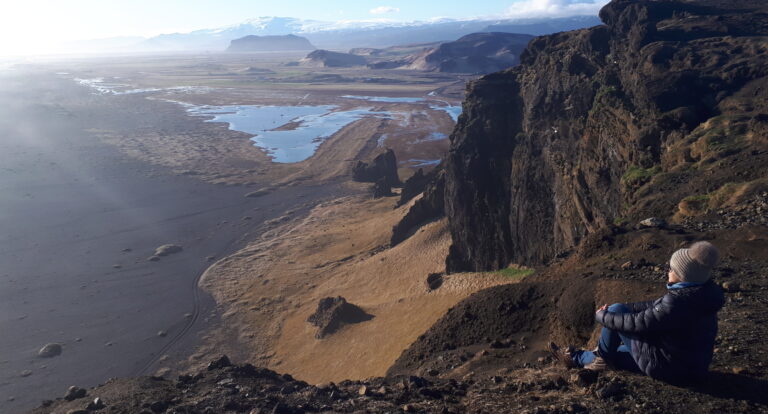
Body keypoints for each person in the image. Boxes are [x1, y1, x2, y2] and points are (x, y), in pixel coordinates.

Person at [549, 241, 725, 383]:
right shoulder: (701, 295)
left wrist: (603, 316)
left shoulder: (677, 301)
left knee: (616, 320)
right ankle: (594, 357)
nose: (668, 271)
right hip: (691, 367)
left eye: (672, 269)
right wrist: (625, 308)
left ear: (682, 275)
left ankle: (578, 358)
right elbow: (655, 306)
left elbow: (634, 324)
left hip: (670, 370)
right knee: (617, 347)